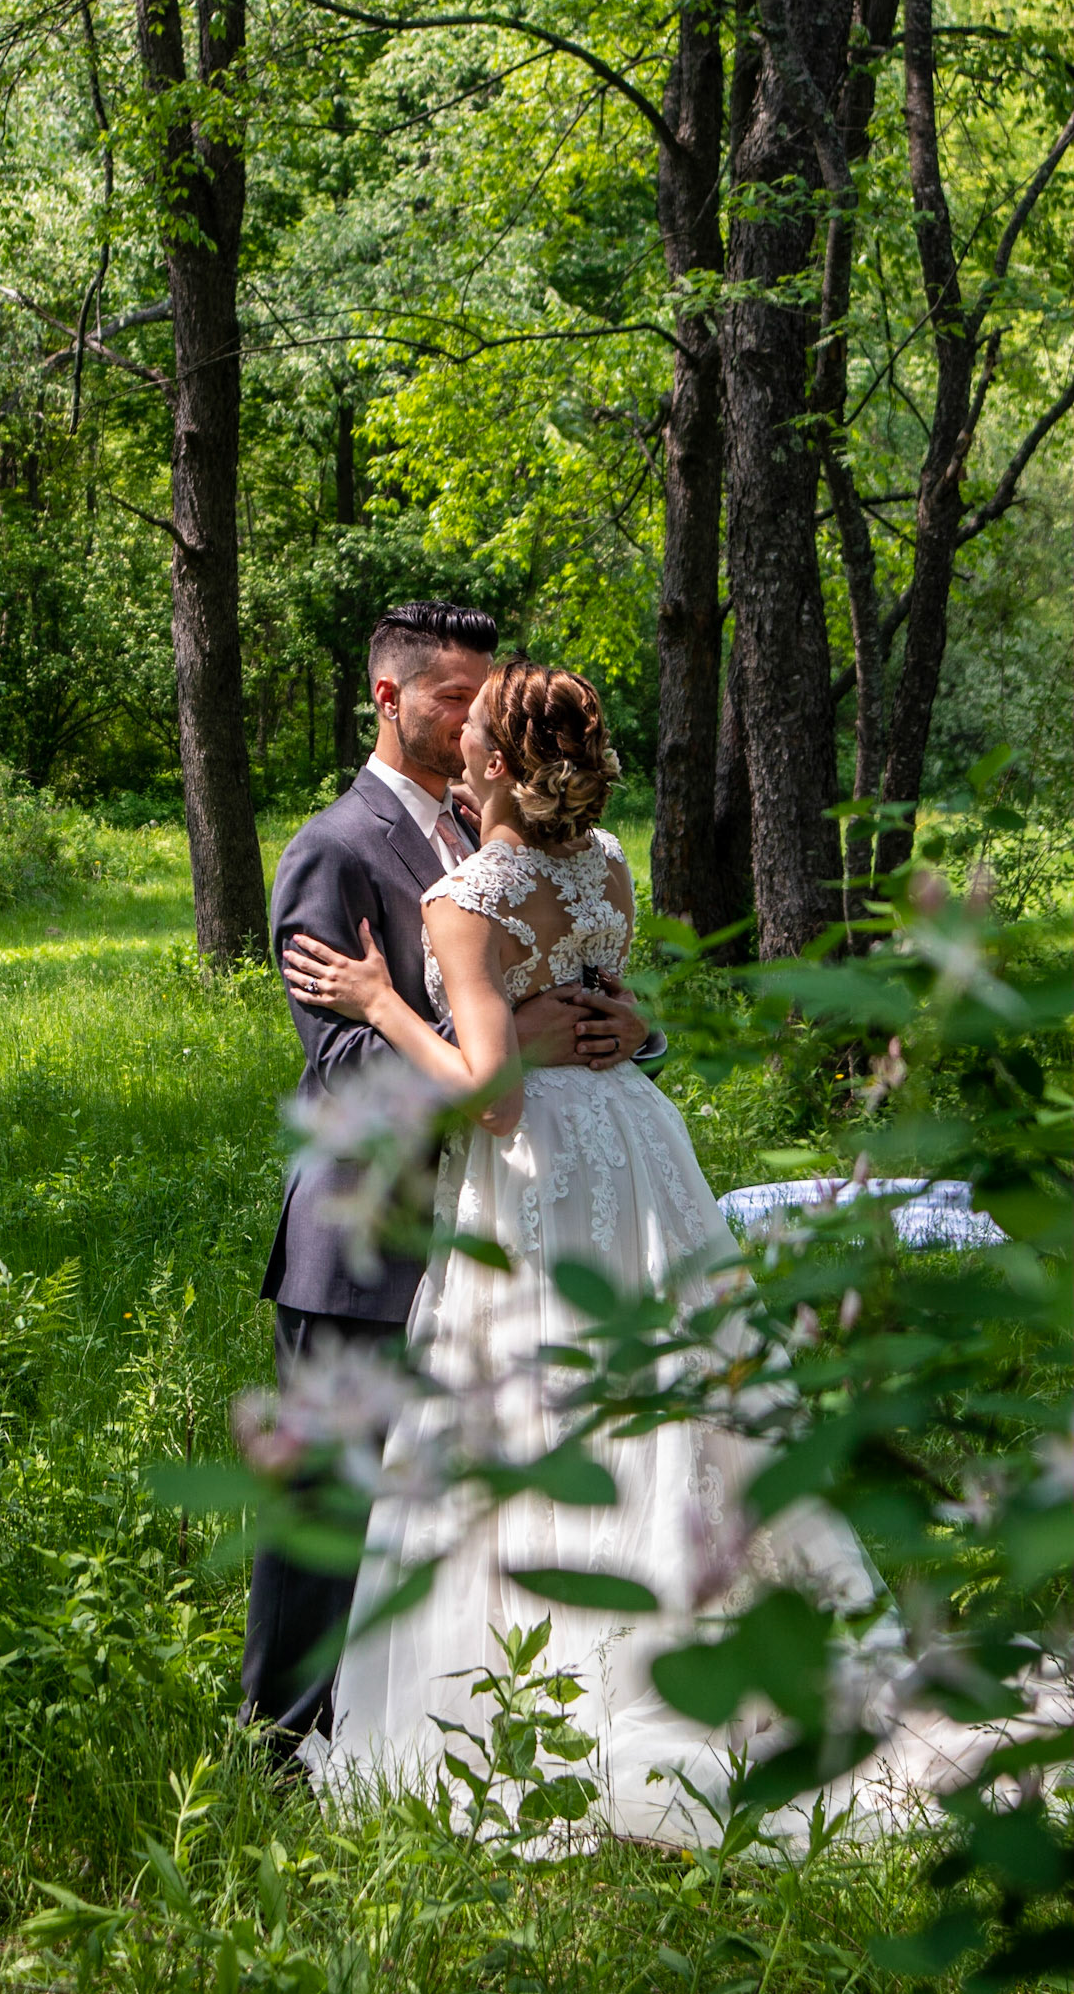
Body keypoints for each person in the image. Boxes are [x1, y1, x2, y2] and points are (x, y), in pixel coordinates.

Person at [279, 658, 1039, 1843]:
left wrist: (383, 1003)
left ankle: (564, 1681)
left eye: (476, 725)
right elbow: (607, 999)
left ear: (495, 762)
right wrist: (618, 1028)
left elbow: (492, 1095)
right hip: (634, 1141)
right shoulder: (606, 863)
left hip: (537, 1160)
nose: (462, 731)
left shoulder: (464, 897)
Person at [242, 606, 655, 1749]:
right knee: (328, 1505)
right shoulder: (335, 846)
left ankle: (448, 1723)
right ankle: (279, 1746)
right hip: (372, 1230)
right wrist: (494, 1046)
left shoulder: (512, 822)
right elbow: (339, 1062)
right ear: (390, 697)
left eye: (488, 699)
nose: (478, 717)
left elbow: (584, 993)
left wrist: (626, 1032)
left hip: (512, 1218)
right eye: (456, 697)